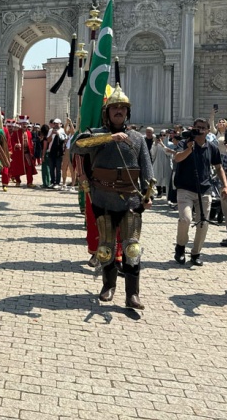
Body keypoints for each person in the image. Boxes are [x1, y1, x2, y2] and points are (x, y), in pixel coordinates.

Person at [71, 84, 155, 310]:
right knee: (106, 246)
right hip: (103, 199)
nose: (118, 111)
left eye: (122, 108)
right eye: (114, 108)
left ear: (128, 112)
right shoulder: (95, 135)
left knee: (132, 248)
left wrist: (148, 194)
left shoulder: (137, 138)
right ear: (107, 112)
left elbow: (147, 169)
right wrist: (109, 139)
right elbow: (76, 146)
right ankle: (108, 286)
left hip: (130, 200)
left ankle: (132, 294)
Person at [172, 118, 227, 266]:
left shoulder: (212, 147)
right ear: (193, 129)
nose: (200, 130)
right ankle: (180, 246)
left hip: (204, 189)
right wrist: (189, 149)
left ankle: (196, 253)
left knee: (203, 223)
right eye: (197, 127)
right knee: (186, 219)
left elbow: (218, 167)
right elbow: (177, 158)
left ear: (208, 130)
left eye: (203, 128)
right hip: (185, 188)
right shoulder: (185, 143)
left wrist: (225, 185)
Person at [9, 115, 36, 187]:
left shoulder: (29, 133)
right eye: (23, 123)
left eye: (25, 124)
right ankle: (18, 181)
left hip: (27, 153)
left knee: (29, 167)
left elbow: (30, 143)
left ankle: (29, 182)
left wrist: (32, 152)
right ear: (20, 124)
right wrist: (16, 145)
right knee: (17, 167)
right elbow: (12, 142)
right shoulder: (16, 133)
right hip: (19, 153)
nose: (24, 125)